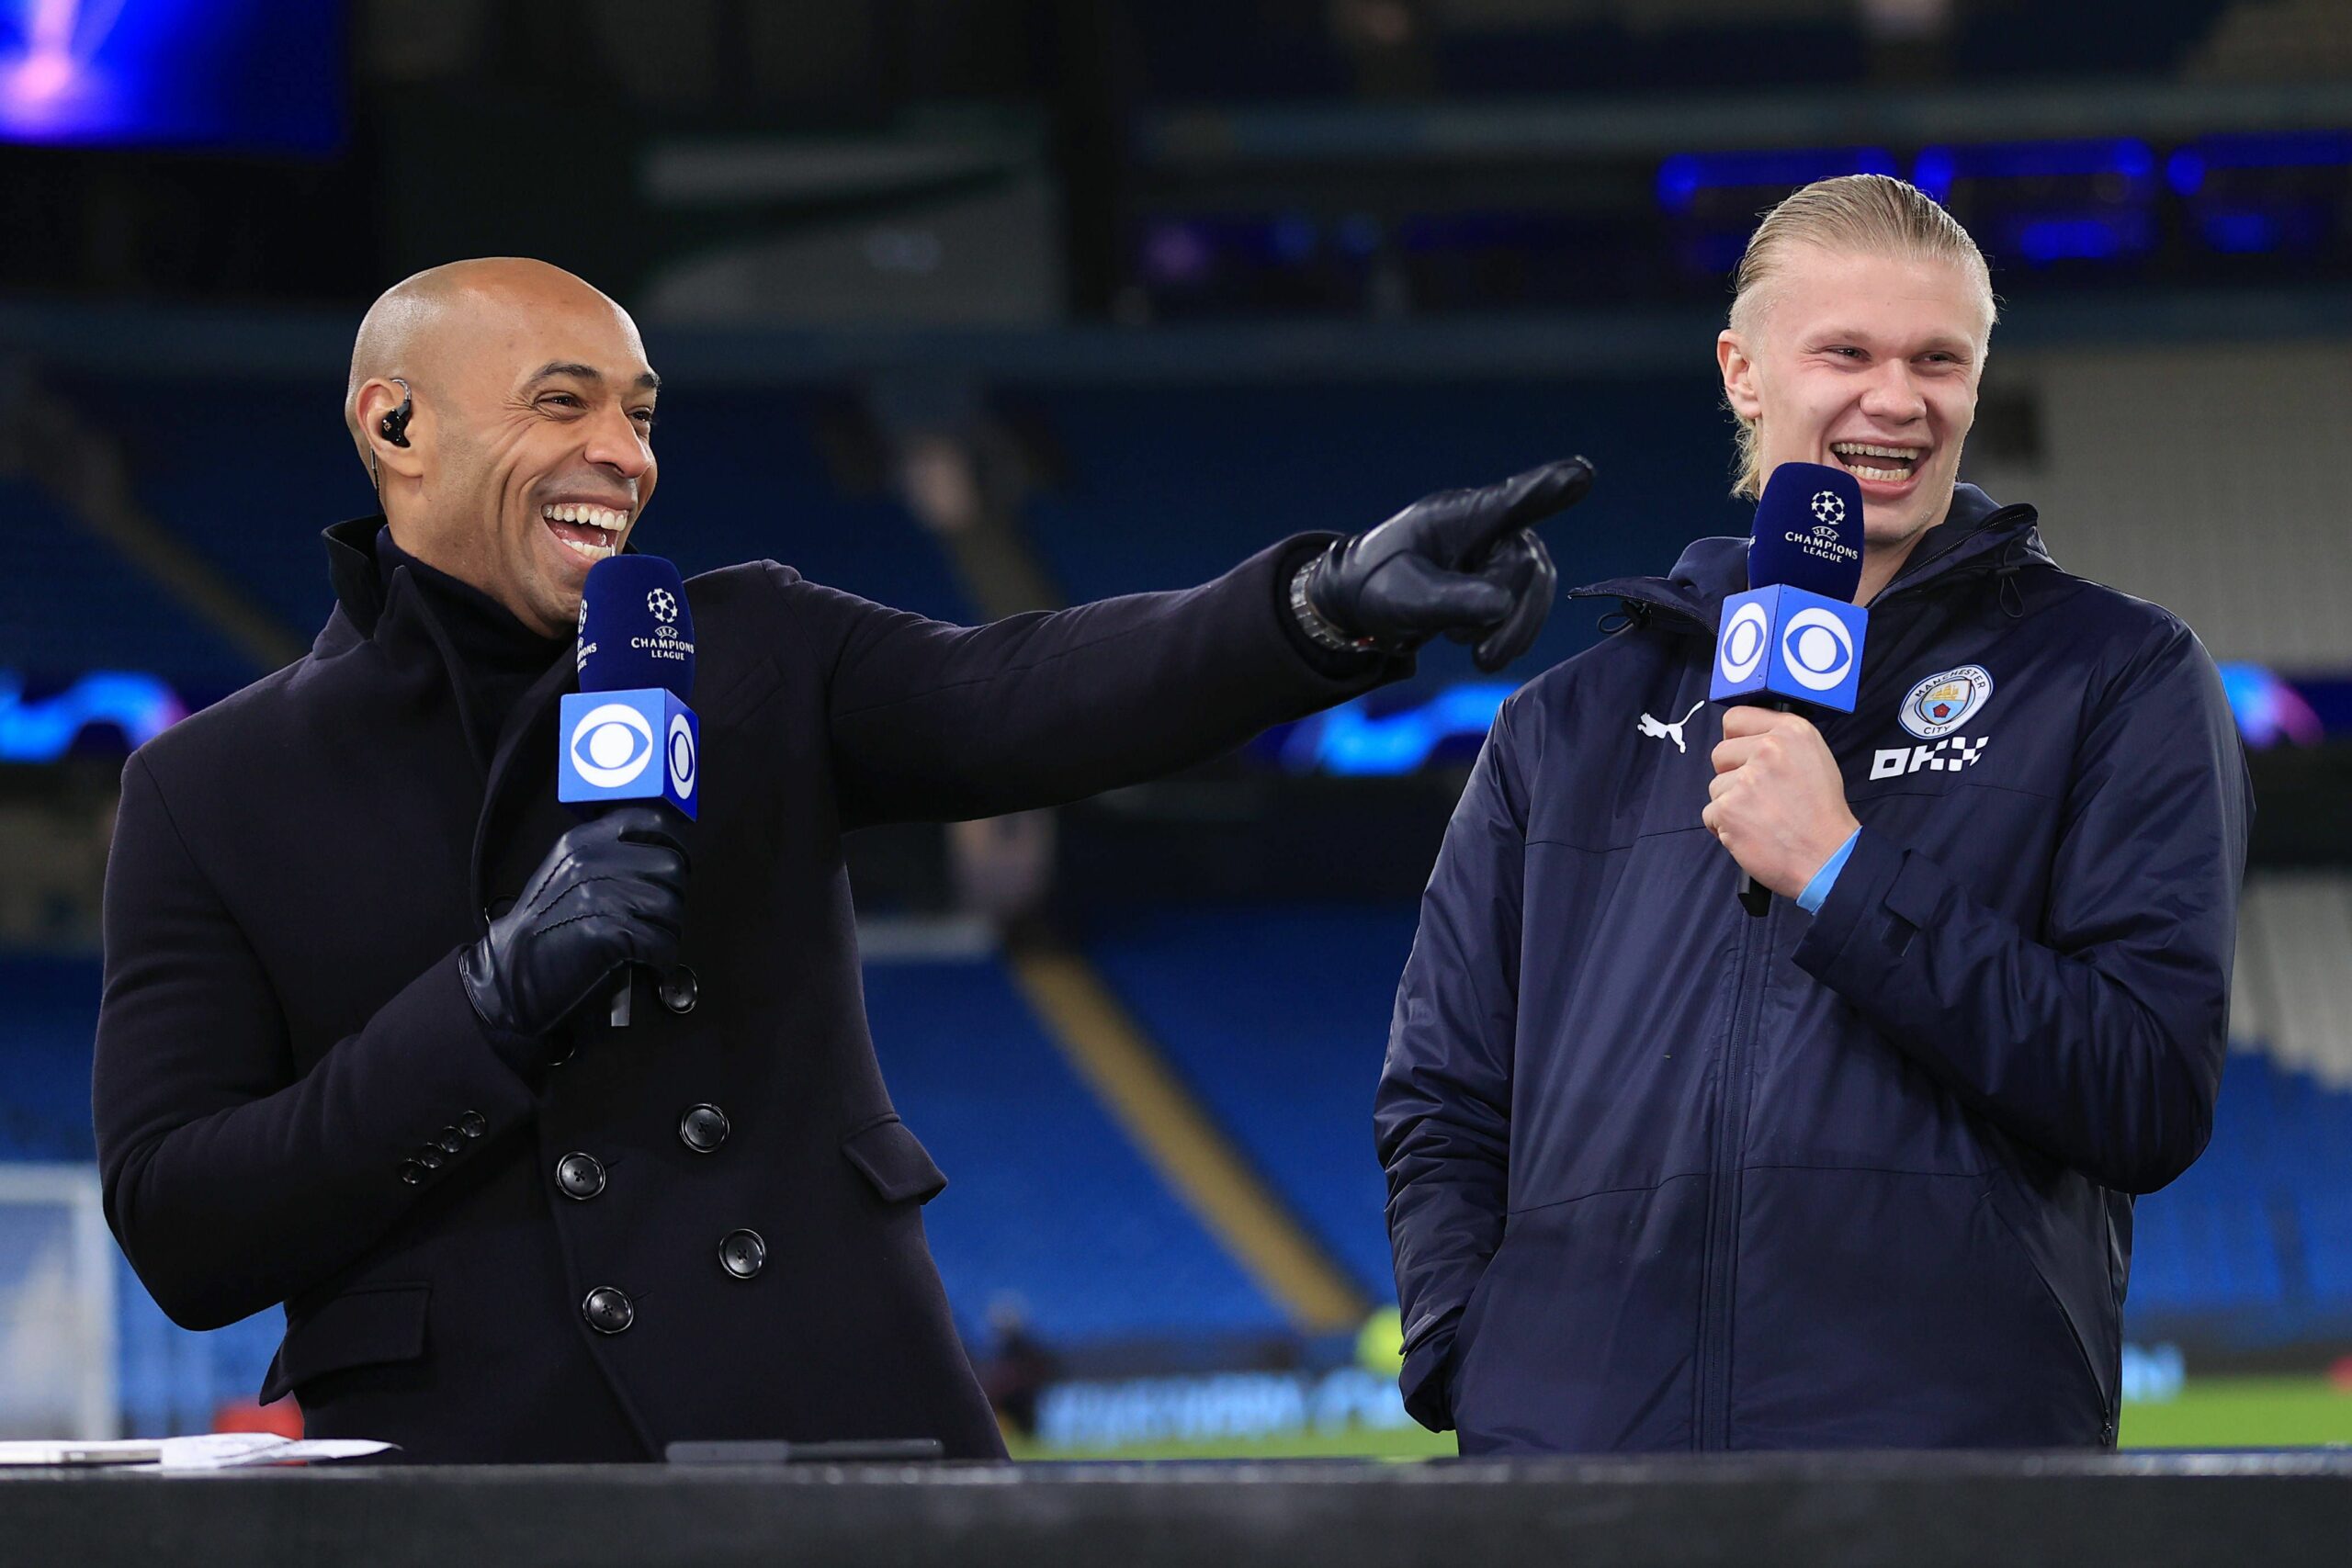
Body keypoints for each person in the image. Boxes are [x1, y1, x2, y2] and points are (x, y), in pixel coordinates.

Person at [93, 258, 1591, 1462]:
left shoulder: (754, 653)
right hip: (479, 1482)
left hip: (837, 1434)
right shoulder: (211, 789)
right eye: (566, 404)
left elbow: (1030, 691)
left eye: (642, 412)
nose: (623, 456)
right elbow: (184, 1224)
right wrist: (484, 1009)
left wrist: (1323, 610)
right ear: (395, 426)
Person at [1375, 175, 2251, 1452]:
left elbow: (2145, 1092)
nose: (1896, 400)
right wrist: (1477, 1355)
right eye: (1846, 351)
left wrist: (1843, 873)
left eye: (1938, 360)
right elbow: (1443, 1094)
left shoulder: (2115, 675)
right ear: (1743, 372)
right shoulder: (1561, 725)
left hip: (1944, 1479)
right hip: (1579, 1477)